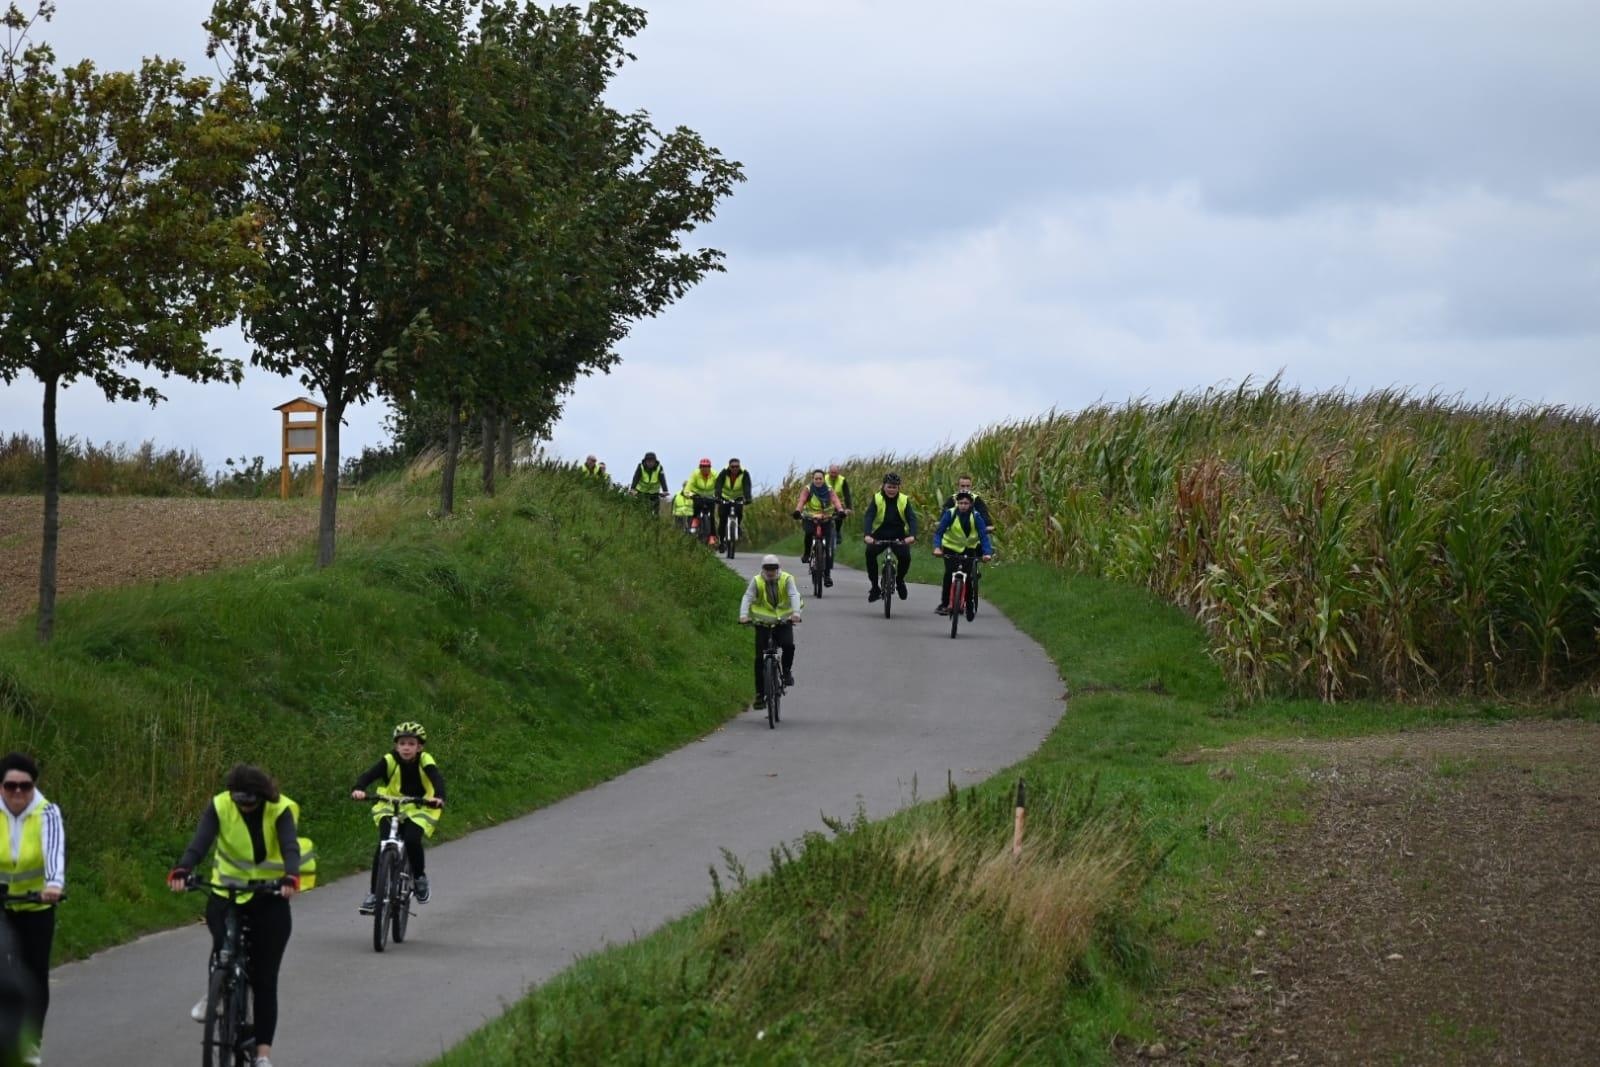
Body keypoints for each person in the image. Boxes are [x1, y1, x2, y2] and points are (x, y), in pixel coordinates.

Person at [168, 764, 305, 1067]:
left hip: (269, 898)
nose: (244, 807)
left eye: (250, 802)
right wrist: (183, 868)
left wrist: (290, 877)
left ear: (262, 796)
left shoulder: (279, 809)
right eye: (240, 801)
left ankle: (262, 1056)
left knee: (265, 979)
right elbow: (201, 842)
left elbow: (289, 846)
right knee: (223, 945)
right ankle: (216, 991)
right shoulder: (220, 805)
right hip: (227, 892)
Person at [1, 753, 65, 1067]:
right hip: (2, 904)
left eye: (25, 786)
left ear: (33, 787)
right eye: (10, 785)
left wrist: (53, 885)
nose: (17, 793)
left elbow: (54, 853)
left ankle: (31, 1046)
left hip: (37, 905)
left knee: (35, 973)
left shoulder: (47, 813)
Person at [351, 723, 446, 911]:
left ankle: (419, 878)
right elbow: (369, 775)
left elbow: (437, 779)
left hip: (420, 806)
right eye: (402, 743)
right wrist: (358, 788)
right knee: (383, 843)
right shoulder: (389, 759)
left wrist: (439, 797)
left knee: (411, 840)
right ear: (396, 746)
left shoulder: (425, 760)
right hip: (390, 804)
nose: (406, 747)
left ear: (419, 747)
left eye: (411, 744)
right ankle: (373, 893)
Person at [738, 554, 803, 710]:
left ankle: (786, 671)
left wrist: (796, 614)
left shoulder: (786, 579)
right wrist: (743, 616)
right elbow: (747, 597)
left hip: (784, 620)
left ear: (778, 568)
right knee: (760, 659)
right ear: (763, 569)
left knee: (788, 645)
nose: (770, 572)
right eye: (767, 568)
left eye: (773, 568)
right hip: (763, 623)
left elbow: (794, 595)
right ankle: (760, 695)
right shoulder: (757, 581)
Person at [932, 490, 994, 615]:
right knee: (949, 574)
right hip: (951, 548)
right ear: (957, 504)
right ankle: (945, 604)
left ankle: (969, 605)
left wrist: (987, 553)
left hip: (969, 549)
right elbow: (939, 532)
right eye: (960, 503)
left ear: (971, 504)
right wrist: (937, 548)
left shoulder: (976, 516)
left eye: (966, 503)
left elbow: (983, 536)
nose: (963, 506)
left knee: (969, 577)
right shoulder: (950, 514)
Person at [862, 472, 918, 603]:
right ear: (883, 486)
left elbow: (912, 518)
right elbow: (869, 516)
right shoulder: (877, 498)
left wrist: (912, 536)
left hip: (898, 534)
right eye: (889, 487)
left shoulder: (904, 499)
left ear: (898, 488)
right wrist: (867, 535)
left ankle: (900, 581)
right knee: (870, 553)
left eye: (894, 487)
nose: (892, 490)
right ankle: (875, 587)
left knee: (905, 557)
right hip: (880, 533)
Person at [792, 469, 845, 586]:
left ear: (823, 479)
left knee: (828, 551)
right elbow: (802, 501)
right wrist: (797, 511)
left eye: (820, 479)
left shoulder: (829, 490)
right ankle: (806, 554)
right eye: (816, 479)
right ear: (813, 479)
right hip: (810, 517)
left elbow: (835, 500)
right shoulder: (808, 489)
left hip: (826, 518)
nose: (818, 481)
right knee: (809, 534)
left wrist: (840, 510)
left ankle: (827, 576)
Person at [713, 457, 753, 543]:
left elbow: (747, 486)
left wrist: (748, 498)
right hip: (725, 497)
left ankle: (736, 527)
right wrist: (717, 496)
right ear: (729, 467)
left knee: (739, 513)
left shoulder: (744, 473)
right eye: (733, 467)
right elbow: (718, 484)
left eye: (737, 466)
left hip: (737, 497)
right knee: (723, 518)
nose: (735, 468)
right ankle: (721, 540)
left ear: (739, 466)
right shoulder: (724, 472)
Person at [684, 458, 720, 543]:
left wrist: (719, 495)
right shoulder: (695, 474)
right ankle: (695, 523)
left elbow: (720, 486)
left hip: (710, 497)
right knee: (696, 510)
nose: (705, 468)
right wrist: (690, 494)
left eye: (707, 467)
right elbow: (688, 488)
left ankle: (712, 536)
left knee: (711, 517)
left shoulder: (715, 474)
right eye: (703, 467)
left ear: (710, 467)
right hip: (698, 497)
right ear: (700, 467)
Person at [826, 464, 853, 544]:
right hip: (826, 503)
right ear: (829, 472)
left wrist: (848, 507)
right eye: (832, 473)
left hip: (839, 503)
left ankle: (837, 532)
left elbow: (847, 494)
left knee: (840, 515)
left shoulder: (842, 480)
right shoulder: (824, 479)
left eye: (835, 473)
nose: (833, 475)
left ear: (838, 472)